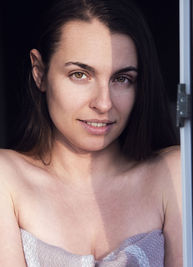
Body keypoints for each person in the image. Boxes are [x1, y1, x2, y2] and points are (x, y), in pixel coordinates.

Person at [0, 0, 182, 266]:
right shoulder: (7, 179)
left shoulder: (173, 174)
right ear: (39, 72)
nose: (104, 103)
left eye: (122, 79)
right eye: (80, 74)